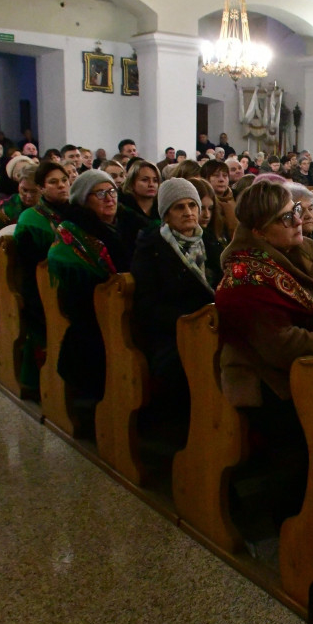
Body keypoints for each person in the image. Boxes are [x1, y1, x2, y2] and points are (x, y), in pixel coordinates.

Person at [215, 181, 313, 518]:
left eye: (297, 211)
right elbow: (280, 344)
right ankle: (292, 520)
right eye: (286, 217)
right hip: (267, 379)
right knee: (306, 435)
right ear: (260, 231)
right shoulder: (244, 276)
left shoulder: (305, 248)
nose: (299, 220)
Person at [131, 178, 217, 441]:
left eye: (193, 205)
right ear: (166, 214)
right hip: (171, 332)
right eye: (179, 207)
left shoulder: (209, 243)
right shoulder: (152, 248)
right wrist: (188, 322)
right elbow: (147, 304)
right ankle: (184, 434)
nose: (189, 212)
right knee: (184, 367)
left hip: (211, 324)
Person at [48, 170, 137, 401]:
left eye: (112, 191)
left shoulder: (130, 222)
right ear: (84, 200)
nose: (110, 198)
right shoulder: (72, 231)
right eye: (100, 194)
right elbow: (70, 274)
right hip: (90, 306)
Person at [13, 162, 73, 392]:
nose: (61, 186)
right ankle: (37, 382)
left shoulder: (77, 210)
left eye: (64, 181)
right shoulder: (30, 218)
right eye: (53, 182)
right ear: (41, 187)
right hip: (41, 285)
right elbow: (30, 263)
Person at [0, 163, 40, 244]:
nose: (28, 196)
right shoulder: (7, 206)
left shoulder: (48, 206)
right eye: (24, 190)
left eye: (34, 191)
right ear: (18, 185)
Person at [200, 159, 237, 238]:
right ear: (205, 178)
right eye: (216, 175)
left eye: (225, 175)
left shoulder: (237, 197)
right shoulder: (201, 200)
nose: (221, 179)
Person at [120, 159, 160, 223]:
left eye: (155, 180)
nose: (151, 184)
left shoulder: (163, 208)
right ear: (132, 183)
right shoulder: (123, 209)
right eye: (145, 180)